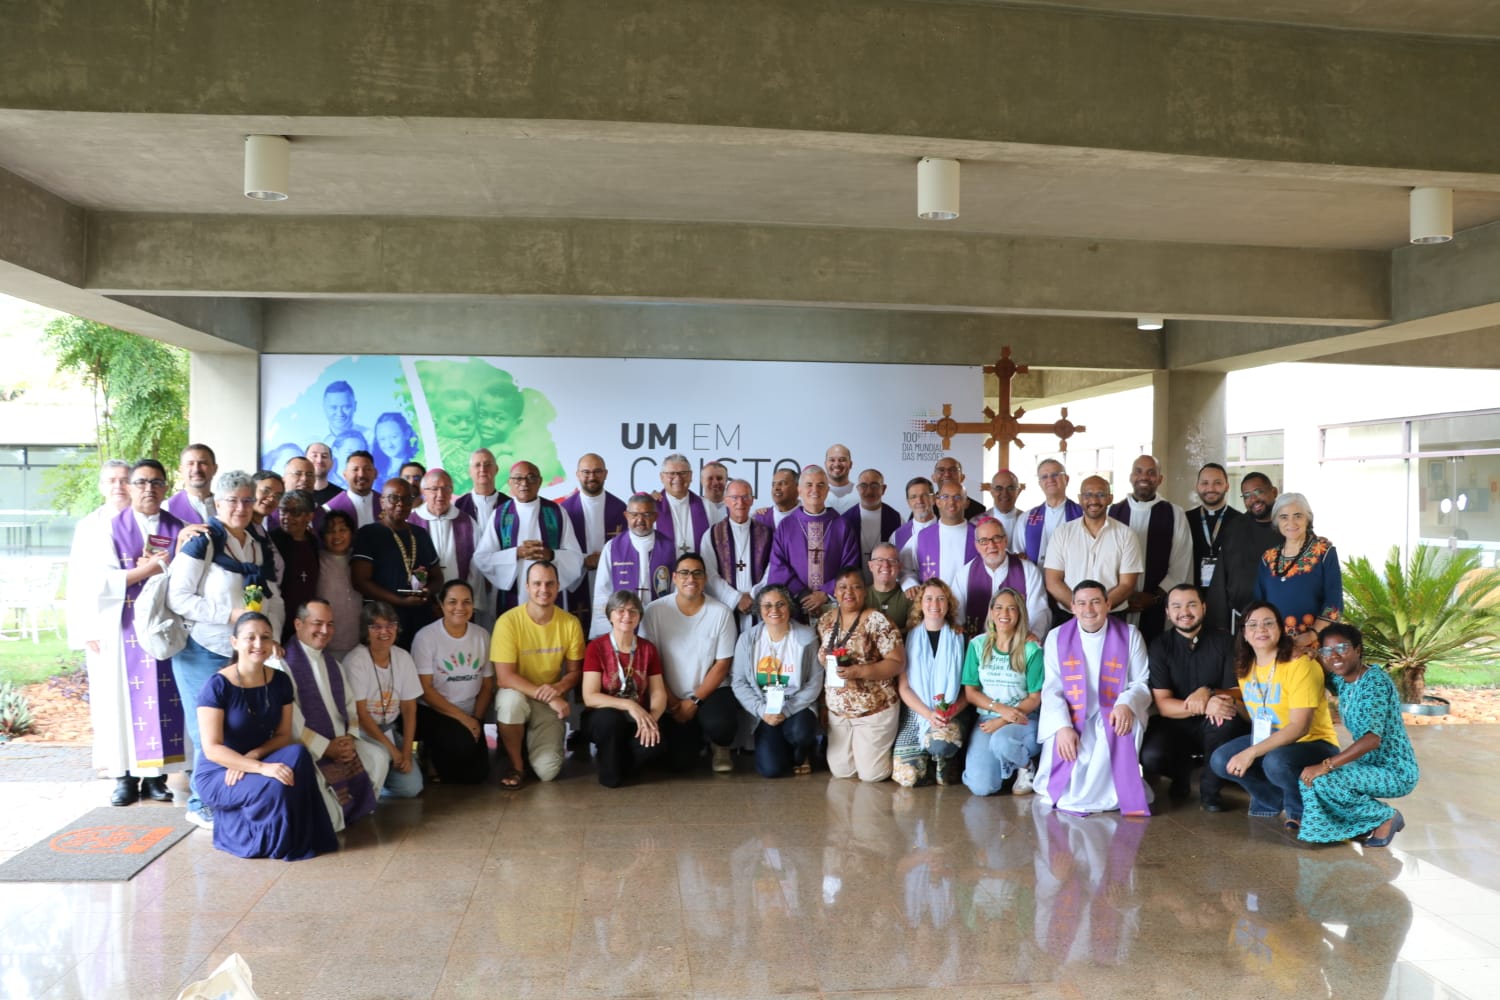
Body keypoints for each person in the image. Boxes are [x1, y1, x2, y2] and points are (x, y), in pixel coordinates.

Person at [168, 469, 285, 831]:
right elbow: (179, 597)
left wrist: (272, 636)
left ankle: (227, 799)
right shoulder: (202, 541)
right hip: (203, 649)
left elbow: (272, 597)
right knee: (209, 735)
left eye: (247, 500)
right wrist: (230, 615)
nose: (240, 507)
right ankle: (200, 803)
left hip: (244, 653)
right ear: (217, 502)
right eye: (232, 500)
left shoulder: (256, 543)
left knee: (239, 732)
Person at [194, 613, 338, 860]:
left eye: (265, 637)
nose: (259, 644)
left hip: (254, 760)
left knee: (298, 754)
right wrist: (259, 768)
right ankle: (256, 837)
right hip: (220, 772)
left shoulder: (280, 681)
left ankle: (306, 835)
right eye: (250, 638)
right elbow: (212, 749)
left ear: (273, 643)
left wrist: (255, 756)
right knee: (275, 783)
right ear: (234, 642)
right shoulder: (216, 685)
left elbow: (283, 736)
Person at [93, 459, 189, 806]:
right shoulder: (109, 527)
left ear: (166, 488)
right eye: (142, 482)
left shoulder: (179, 527)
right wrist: (147, 569)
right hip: (124, 628)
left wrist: (157, 570)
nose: (149, 488)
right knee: (122, 701)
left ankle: (156, 778)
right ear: (131, 487)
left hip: (163, 626)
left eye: (157, 482)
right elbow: (100, 581)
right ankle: (123, 777)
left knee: (164, 699)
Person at [1209, 601, 1339, 831]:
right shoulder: (1245, 668)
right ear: (1244, 633)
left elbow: (1300, 727)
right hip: (1272, 736)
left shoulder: (1300, 664)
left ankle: (1302, 806)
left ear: (1280, 629)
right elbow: (1258, 717)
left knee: (1275, 761)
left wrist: (1250, 753)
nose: (1261, 629)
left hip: (1314, 742)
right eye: (1253, 625)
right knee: (1220, 760)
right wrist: (1228, 703)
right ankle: (1272, 798)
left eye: (1268, 623)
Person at [1033, 580, 1153, 816]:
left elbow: (1141, 681)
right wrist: (1063, 726)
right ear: (1072, 607)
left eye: (1096, 602)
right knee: (1068, 737)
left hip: (1114, 710)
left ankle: (1115, 793)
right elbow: (1052, 688)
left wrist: (1126, 703)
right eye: (1082, 603)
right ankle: (1070, 791)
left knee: (1120, 728)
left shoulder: (1129, 635)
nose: (1089, 609)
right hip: (1072, 712)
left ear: (1108, 604)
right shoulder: (1057, 637)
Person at [1297, 623, 1419, 847]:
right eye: (1327, 650)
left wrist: (1326, 764)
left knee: (1325, 778)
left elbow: (1372, 739)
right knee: (1311, 780)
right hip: (1368, 765)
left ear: (1358, 650)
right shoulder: (1344, 680)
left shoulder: (1374, 682)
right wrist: (1312, 655)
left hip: (1394, 770)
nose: (1333, 656)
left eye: (1341, 648)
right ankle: (1360, 825)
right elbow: (1326, 672)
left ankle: (1386, 818)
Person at [1141, 584, 1249, 811]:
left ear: (1204, 607)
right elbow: (1164, 705)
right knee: (1151, 755)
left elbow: (1237, 692)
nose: (1185, 612)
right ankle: (1181, 773)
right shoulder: (1159, 645)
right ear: (1168, 612)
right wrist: (1203, 705)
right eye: (1176, 606)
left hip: (1215, 720)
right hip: (1175, 723)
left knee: (1225, 722)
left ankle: (1210, 792)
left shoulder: (1224, 641)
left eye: (1191, 605)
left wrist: (1209, 693)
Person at [281, 600, 381, 831]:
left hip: (342, 741)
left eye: (330, 624)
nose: (324, 631)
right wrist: (326, 747)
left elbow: (350, 705)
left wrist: (351, 739)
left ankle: (354, 812)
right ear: (298, 624)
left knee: (378, 758)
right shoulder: (283, 665)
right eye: (317, 623)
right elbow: (292, 722)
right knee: (331, 820)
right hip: (310, 749)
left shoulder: (333, 663)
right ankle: (338, 815)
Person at [641, 552, 740, 772]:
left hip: (709, 693)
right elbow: (650, 663)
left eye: (697, 573)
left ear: (705, 579)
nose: (691, 579)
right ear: (674, 577)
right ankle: (694, 737)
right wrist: (674, 702)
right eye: (684, 573)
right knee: (681, 763)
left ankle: (720, 745)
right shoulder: (655, 611)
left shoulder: (721, 612)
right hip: (669, 695)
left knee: (721, 725)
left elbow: (722, 664)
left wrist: (693, 702)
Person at [492, 561, 586, 788]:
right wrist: (551, 696)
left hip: (547, 698)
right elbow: (505, 677)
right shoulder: (508, 621)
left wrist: (559, 689)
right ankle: (516, 765)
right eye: (537, 583)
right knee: (510, 703)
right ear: (526, 586)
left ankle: (524, 743)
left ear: (558, 586)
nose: (543, 589)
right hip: (518, 694)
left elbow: (575, 672)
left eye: (549, 583)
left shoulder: (570, 623)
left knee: (548, 772)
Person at [816, 567, 906, 782]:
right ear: (835, 592)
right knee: (842, 772)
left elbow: (897, 663)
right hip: (839, 711)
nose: (849, 592)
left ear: (865, 592)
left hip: (874, 709)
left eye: (856, 587)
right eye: (843, 587)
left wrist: (860, 671)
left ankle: (904, 754)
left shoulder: (878, 621)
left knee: (870, 775)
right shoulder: (826, 621)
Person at [730, 584, 822, 778]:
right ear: (759, 609)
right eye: (767, 606)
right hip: (765, 708)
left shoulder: (806, 637)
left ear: (789, 607)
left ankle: (801, 753)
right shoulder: (747, 640)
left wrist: (787, 710)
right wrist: (761, 711)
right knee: (770, 770)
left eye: (780, 604)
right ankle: (783, 749)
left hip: (798, 706)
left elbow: (815, 682)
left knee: (800, 733)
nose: (774, 611)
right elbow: (738, 682)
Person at [472, 460, 584, 619]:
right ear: (510, 483)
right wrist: (516, 553)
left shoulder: (556, 512)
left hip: (550, 596)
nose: (524, 483)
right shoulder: (500, 515)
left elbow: (575, 558)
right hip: (513, 597)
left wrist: (551, 555)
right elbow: (482, 558)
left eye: (531, 478)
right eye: (518, 478)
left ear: (539, 482)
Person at [961, 588, 1045, 797]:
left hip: (1023, 719)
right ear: (990, 612)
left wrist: (1004, 719)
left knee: (1002, 742)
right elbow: (970, 693)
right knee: (982, 788)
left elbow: (1036, 697)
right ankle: (1003, 766)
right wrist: (998, 710)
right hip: (988, 718)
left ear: (1020, 614)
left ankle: (1026, 766)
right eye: (998, 607)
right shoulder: (978, 645)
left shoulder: (1031, 649)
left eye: (1011, 609)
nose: (1004, 614)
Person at [580, 590, 668, 787]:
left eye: (633, 611)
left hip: (637, 717)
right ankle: (611, 771)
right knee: (610, 721)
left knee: (655, 743)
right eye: (620, 611)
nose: (627, 616)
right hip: (603, 716)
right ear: (610, 614)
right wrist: (629, 705)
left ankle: (621, 762)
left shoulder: (647, 649)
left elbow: (658, 692)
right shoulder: (596, 647)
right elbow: (590, 697)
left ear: (639, 617)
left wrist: (650, 720)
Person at [411, 581, 494, 784]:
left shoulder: (482, 635)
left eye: (466, 602)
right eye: (452, 602)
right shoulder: (426, 637)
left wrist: (477, 720)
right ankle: (428, 750)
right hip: (437, 711)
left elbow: (487, 686)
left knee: (478, 774)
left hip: (471, 712)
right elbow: (425, 690)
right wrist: (465, 721)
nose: (460, 608)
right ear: (441, 604)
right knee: (454, 764)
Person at [1108, 455, 1192, 643]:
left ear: (1160, 479)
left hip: (1157, 605)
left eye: (1151, 472)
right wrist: (1120, 597)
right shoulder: (1112, 513)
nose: (1144, 477)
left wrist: (1154, 597)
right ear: (1130, 477)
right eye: (1138, 471)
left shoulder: (1174, 514)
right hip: (1117, 604)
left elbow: (1182, 562)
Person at [344, 601, 425, 799]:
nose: (384, 632)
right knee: (383, 756)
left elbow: (409, 709)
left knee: (411, 788)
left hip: (389, 730)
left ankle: (384, 779)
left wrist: (405, 752)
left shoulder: (403, 657)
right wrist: (393, 752)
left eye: (390, 625)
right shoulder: (356, 661)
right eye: (376, 627)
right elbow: (361, 715)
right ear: (366, 630)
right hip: (362, 732)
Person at [892, 580, 968, 787]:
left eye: (941, 598)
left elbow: (969, 690)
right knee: (906, 778)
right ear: (920, 603)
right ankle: (924, 761)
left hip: (950, 713)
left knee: (940, 744)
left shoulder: (961, 637)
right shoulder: (908, 638)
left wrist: (949, 712)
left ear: (948, 604)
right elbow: (904, 688)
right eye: (929, 598)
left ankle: (942, 759)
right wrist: (928, 714)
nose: (935, 604)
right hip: (917, 714)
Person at [351, 478, 442, 644]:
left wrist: (426, 592)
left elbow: (437, 577)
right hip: (383, 619)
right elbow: (360, 581)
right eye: (394, 498)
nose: (400, 504)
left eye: (407, 499)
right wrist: (400, 601)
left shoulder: (420, 534)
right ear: (382, 502)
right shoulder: (369, 533)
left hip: (420, 616)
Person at [767, 465, 860, 621]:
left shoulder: (842, 525)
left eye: (821, 485)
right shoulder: (786, 526)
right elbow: (778, 565)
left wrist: (825, 593)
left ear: (827, 490)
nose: (815, 490)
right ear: (799, 490)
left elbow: (850, 566)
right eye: (809, 485)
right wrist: (803, 594)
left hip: (832, 604)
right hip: (796, 604)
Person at [1254, 492, 1343, 652]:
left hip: (1314, 645)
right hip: (1275, 645)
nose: (1291, 522)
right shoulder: (1268, 558)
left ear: (1308, 518)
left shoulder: (1324, 552)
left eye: (1298, 516)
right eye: (1284, 517)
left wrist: (1310, 636)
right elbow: (1259, 605)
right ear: (1276, 521)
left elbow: (1333, 605)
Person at [1042, 475, 1142, 616]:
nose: (1094, 500)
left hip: (1112, 614)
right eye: (1088, 495)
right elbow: (1053, 581)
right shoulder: (1062, 533)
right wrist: (1081, 610)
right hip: (1069, 614)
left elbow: (1126, 585)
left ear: (1110, 498)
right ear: (1080, 499)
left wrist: (1098, 611)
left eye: (1101, 494)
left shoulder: (1126, 535)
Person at [590, 493, 676, 638]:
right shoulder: (612, 547)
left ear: (655, 516)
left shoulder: (670, 547)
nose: (640, 520)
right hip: (624, 623)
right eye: (635, 514)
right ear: (626, 515)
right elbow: (602, 591)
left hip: (661, 622)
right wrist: (604, 631)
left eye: (646, 514)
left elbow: (676, 590)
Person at [949, 516, 1050, 641]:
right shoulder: (964, 574)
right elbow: (956, 613)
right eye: (984, 540)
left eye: (996, 538)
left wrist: (1034, 634)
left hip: (1018, 646)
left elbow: (1039, 610)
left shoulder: (1028, 571)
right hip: (977, 648)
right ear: (976, 545)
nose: (991, 545)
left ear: (1005, 540)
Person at [558, 453, 626, 627]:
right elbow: (560, 552)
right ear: (578, 474)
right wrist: (583, 561)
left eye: (597, 472)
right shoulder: (564, 510)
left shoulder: (620, 509)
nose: (591, 477)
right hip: (578, 579)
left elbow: (627, 549)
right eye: (586, 472)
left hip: (611, 580)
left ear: (605, 474)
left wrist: (603, 560)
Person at [1208, 472, 1279, 633]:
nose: (1253, 499)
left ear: (1273, 492)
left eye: (1258, 492)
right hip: (1242, 619)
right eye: (1246, 496)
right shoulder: (1235, 528)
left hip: (1281, 617)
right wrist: (1220, 623)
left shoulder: (1287, 525)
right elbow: (1222, 575)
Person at [700, 478, 773, 632]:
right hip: (725, 608)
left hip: (759, 607)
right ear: (726, 501)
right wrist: (735, 599)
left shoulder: (767, 533)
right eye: (734, 497)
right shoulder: (712, 535)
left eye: (745, 497)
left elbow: (773, 568)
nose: (740, 502)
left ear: (752, 500)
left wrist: (754, 596)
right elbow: (709, 574)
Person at [410, 468, 484, 614]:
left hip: (459, 604)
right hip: (422, 600)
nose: (440, 495)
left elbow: (477, 565)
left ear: (452, 492)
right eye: (434, 489)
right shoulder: (411, 521)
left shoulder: (467, 522)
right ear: (424, 491)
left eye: (446, 488)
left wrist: (470, 599)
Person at [456, 448, 507, 627]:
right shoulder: (458, 508)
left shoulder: (509, 506)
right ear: (470, 471)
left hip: (501, 580)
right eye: (477, 465)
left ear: (496, 469)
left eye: (488, 464)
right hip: (470, 578)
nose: (482, 469)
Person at [269, 490, 321, 644]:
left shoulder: (312, 541)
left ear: (309, 516)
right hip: (279, 620)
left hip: (306, 621)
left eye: (295, 512)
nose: (287, 517)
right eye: (283, 510)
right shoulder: (272, 540)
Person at [316, 510, 362, 660]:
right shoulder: (317, 561)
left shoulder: (359, 559)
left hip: (358, 642)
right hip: (327, 644)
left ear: (351, 533)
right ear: (323, 536)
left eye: (343, 530)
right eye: (330, 531)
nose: (337, 536)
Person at [1185, 462, 1239, 590]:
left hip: (1228, 593)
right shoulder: (1185, 519)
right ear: (1197, 486)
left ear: (1227, 486)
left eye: (1217, 483)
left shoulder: (1240, 520)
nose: (1210, 488)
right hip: (1192, 592)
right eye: (1205, 483)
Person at [1022, 459, 1082, 564]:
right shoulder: (1026, 518)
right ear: (1040, 483)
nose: (1050, 480)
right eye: (1044, 477)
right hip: (1036, 578)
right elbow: (1019, 555)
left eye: (1055, 474)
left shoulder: (1083, 514)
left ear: (1066, 479)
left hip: (1073, 578)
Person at [841, 469, 901, 571]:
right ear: (858, 489)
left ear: (883, 488)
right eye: (863, 486)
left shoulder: (896, 518)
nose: (869, 491)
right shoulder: (845, 519)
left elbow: (899, 554)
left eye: (874, 486)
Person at [656, 453, 713, 554]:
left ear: (691, 476)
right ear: (662, 477)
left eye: (683, 473)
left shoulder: (707, 507)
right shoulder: (652, 507)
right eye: (671, 473)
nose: (678, 478)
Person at [892, 476, 937, 592]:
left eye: (925, 495)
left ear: (934, 498)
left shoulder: (945, 530)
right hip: (909, 596)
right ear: (908, 502)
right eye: (913, 497)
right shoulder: (897, 535)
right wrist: (910, 585)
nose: (919, 501)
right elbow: (895, 568)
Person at [322, 449, 379, 528]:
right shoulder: (329, 509)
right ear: (345, 475)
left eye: (367, 469)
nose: (361, 475)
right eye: (355, 469)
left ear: (375, 473)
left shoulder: (386, 504)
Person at [164, 444, 217, 525]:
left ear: (214, 469)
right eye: (190, 464)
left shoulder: (228, 505)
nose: (196, 469)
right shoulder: (166, 508)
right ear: (181, 470)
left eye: (203, 463)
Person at [864, 542, 912, 628]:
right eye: (880, 560)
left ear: (899, 566)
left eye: (892, 561)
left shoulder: (909, 596)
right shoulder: (861, 596)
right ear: (870, 566)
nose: (886, 565)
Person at [932, 456, 986, 520]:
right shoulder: (927, 507)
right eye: (941, 470)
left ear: (962, 477)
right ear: (933, 477)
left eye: (953, 470)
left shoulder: (978, 510)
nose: (947, 474)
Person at [985, 468, 1026, 554]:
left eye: (1010, 488)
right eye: (999, 488)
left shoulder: (1028, 520)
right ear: (991, 491)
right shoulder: (977, 522)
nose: (1005, 494)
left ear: (1018, 491)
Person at [372, 410, 418, 483]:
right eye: (382, 439)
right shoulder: (376, 468)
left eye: (394, 437)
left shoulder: (416, 466)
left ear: (407, 433)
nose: (389, 444)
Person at [321, 379, 369, 447]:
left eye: (346, 407)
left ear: (355, 406)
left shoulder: (370, 438)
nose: (340, 413)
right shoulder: (312, 441)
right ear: (324, 407)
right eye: (333, 407)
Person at [824, 444, 858, 513]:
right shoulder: (815, 494)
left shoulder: (861, 494)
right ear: (825, 464)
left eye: (842, 460)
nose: (837, 464)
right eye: (832, 460)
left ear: (850, 464)